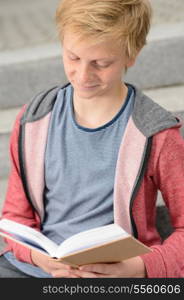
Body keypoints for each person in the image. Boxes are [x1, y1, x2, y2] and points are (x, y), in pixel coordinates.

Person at [0, 0, 184, 278]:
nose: (83, 75)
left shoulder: (155, 133)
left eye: (101, 63)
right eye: (73, 57)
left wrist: (139, 268)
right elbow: (16, 218)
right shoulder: (33, 120)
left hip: (118, 275)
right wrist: (39, 259)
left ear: (131, 55)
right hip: (36, 269)